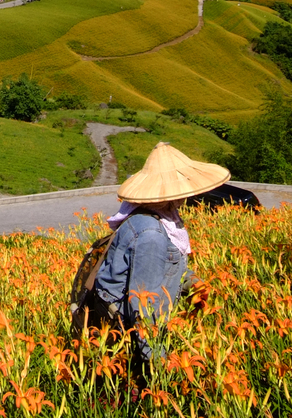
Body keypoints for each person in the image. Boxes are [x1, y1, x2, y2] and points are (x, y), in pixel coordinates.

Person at [87, 142, 227, 375]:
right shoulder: (151, 234)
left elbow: (162, 269)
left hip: (133, 328)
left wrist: (192, 281)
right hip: (129, 340)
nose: (188, 195)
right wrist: (159, 366)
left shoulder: (155, 217)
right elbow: (143, 306)